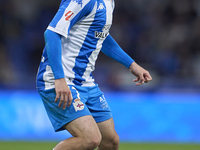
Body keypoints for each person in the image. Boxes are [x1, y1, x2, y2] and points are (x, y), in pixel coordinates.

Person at [36, 0, 152, 149]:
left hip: (85, 81)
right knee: (90, 139)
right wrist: (59, 78)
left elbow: (101, 37)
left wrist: (131, 65)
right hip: (59, 79)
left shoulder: (109, 3)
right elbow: (52, 33)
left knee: (110, 141)